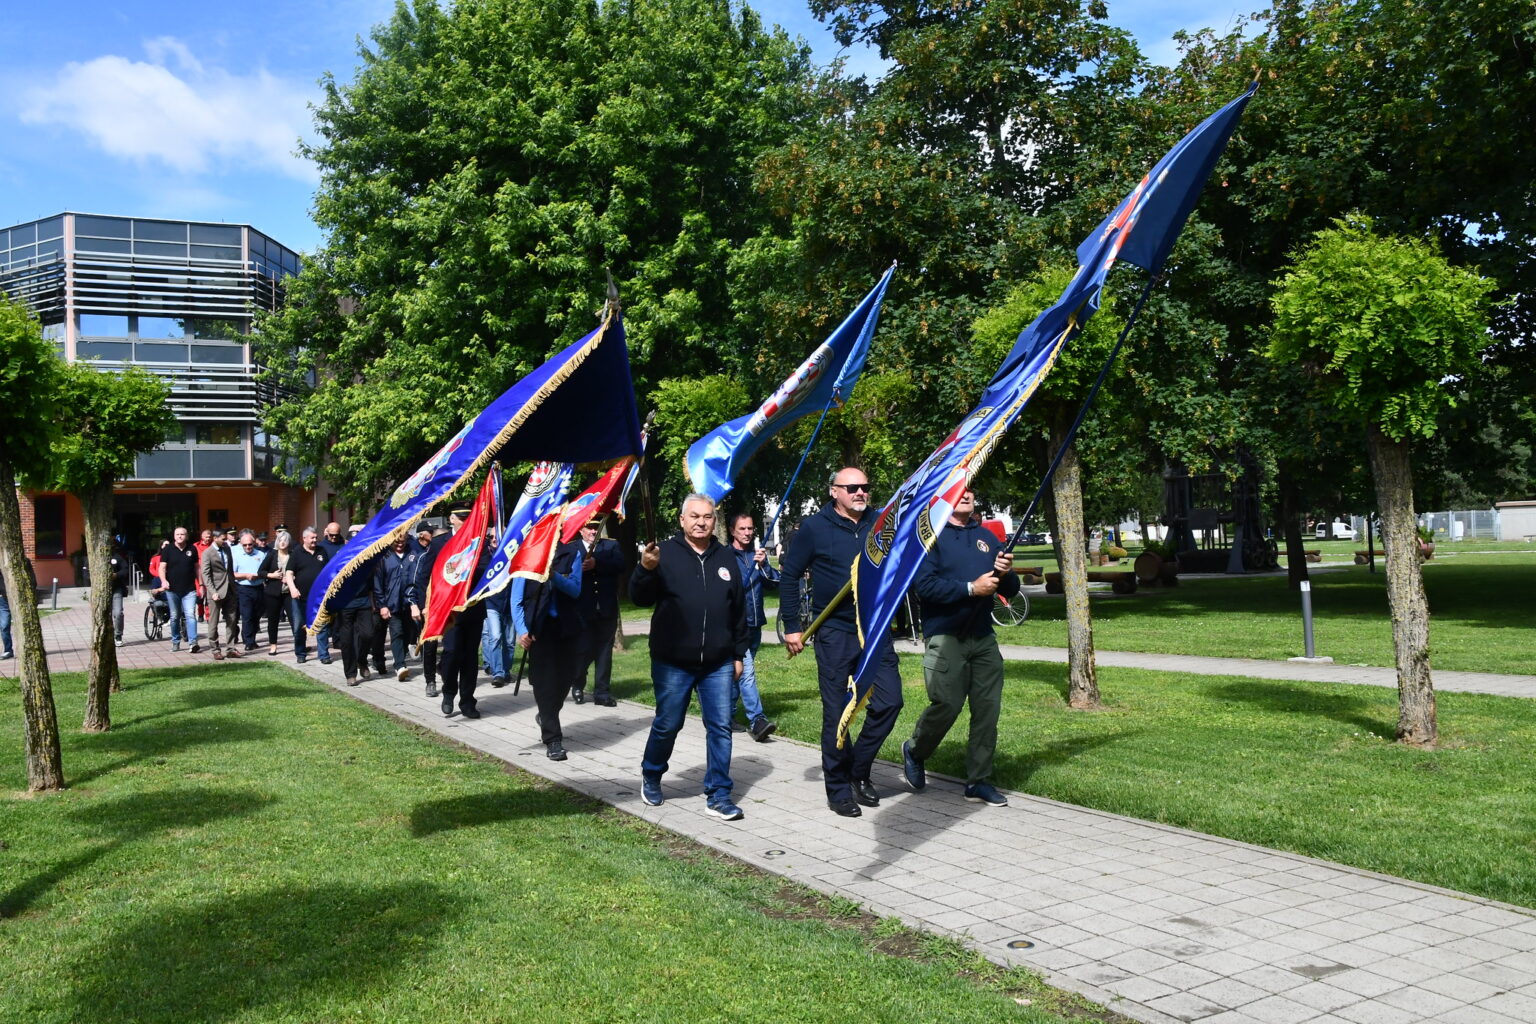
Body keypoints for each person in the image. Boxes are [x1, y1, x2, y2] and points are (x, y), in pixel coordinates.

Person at [779, 467, 904, 818]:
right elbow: (789, 576)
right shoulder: (814, 528)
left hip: (874, 630)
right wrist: (792, 626)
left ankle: (859, 770)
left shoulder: (881, 525)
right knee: (837, 714)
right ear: (834, 491)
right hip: (834, 632)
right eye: (852, 488)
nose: (860, 492)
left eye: (865, 486)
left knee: (890, 702)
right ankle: (838, 790)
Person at [630, 493, 748, 821]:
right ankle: (652, 774)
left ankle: (719, 794)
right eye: (694, 516)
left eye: (707, 517)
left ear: (715, 520)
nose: (701, 522)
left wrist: (739, 654)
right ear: (682, 520)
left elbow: (738, 610)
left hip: (718, 662)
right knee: (669, 723)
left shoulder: (725, 558)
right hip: (673, 661)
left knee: (721, 727)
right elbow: (638, 598)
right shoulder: (662, 553)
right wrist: (645, 569)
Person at [899, 488, 1017, 807]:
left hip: (983, 636)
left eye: (971, 491)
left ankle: (978, 781)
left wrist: (1005, 574)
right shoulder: (930, 537)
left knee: (987, 711)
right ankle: (915, 750)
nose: (967, 495)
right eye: (959, 490)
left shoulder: (988, 538)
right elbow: (924, 587)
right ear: (945, 497)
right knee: (947, 704)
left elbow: (1010, 587)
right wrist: (970, 589)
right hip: (945, 635)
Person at [512, 539, 584, 759]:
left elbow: (575, 590)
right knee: (544, 684)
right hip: (539, 629)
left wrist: (554, 576)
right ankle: (553, 739)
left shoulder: (573, 553)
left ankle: (547, 715)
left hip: (566, 627)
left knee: (565, 679)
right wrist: (522, 630)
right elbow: (516, 599)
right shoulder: (526, 553)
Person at [417, 506, 488, 717]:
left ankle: (467, 702)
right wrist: (426, 604)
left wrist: (469, 567)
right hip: (449, 612)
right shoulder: (440, 543)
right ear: (451, 519)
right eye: (461, 518)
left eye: (468, 518)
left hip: (472, 608)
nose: (465, 521)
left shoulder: (479, 542)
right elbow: (425, 576)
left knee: (470, 657)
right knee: (451, 653)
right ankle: (448, 692)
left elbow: (485, 569)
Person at [727, 512, 778, 741]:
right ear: (732, 531)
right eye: (742, 529)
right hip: (736, 625)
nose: (747, 533)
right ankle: (757, 720)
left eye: (750, 529)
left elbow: (776, 582)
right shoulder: (726, 557)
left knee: (737, 674)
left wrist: (764, 565)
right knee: (747, 673)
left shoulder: (757, 557)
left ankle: (725, 715)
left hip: (756, 624)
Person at [572, 516, 625, 706]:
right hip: (581, 610)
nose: (594, 532)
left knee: (604, 651)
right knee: (583, 650)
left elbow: (621, 565)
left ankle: (601, 693)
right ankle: (577, 684)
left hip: (606, 607)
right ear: (581, 530)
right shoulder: (572, 548)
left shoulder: (610, 547)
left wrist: (597, 564)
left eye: (596, 528)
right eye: (589, 528)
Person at [283, 527, 330, 665]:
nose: (315, 540)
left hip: (319, 597)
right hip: (300, 598)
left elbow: (327, 571)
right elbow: (289, 573)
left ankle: (324, 655)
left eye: (316, 537)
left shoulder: (322, 551)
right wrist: (292, 589)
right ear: (304, 538)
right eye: (312, 538)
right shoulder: (297, 553)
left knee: (322, 626)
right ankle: (301, 653)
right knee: (299, 627)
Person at [372, 534, 415, 681]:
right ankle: (399, 665)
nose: (399, 545)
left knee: (408, 634)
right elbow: (378, 584)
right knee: (397, 633)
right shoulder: (384, 557)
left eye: (402, 542)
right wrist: (382, 605)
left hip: (409, 604)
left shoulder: (412, 554)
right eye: (397, 542)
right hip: (391, 604)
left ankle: (400, 659)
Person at [157, 526, 201, 654]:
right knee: (175, 616)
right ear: (174, 536)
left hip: (189, 589)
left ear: (186, 536)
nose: (180, 536)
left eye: (182, 534)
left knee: (190, 615)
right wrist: (164, 581)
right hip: (172, 590)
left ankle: (193, 643)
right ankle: (176, 641)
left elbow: (197, 568)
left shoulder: (192, 549)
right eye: (177, 534)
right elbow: (162, 568)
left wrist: (201, 585)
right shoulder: (168, 550)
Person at [199, 529, 240, 660]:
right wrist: (212, 592)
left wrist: (234, 586)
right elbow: (205, 574)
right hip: (216, 592)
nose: (225, 541)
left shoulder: (227, 549)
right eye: (223, 539)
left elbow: (230, 571)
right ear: (215, 538)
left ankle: (231, 649)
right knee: (213, 622)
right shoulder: (207, 553)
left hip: (230, 590)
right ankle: (215, 649)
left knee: (232, 620)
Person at [230, 529, 267, 652]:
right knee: (247, 615)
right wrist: (246, 575)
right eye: (244, 545)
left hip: (259, 588)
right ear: (241, 544)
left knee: (257, 615)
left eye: (250, 544)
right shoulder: (236, 556)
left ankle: (252, 638)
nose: (247, 547)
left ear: (254, 543)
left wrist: (260, 576)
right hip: (243, 588)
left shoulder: (260, 555)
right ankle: (248, 641)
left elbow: (265, 571)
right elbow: (232, 574)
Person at [260, 530, 295, 656]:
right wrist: (272, 575)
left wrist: (293, 578)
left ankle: (300, 644)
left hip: (289, 593)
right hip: (273, 593)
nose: (282, 542)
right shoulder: (271, 555)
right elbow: (261, 572)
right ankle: (273, 645)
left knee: (294, 619)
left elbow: (300, 571)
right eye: (280, 540)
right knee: (273, 620)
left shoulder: (293, 554)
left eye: (285, 540)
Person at [0, 555, 36, 659]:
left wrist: (32, 593)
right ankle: (8, 650)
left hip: (21, 597)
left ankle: (30, 648)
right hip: (3, 599)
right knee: (4, 625)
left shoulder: (23, 560)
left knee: (25, 623)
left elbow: (32, 578)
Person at [108, 541, 131, 647]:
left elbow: (125, 569)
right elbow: (86, 572)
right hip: (102, 592)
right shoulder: (95, 557)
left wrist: (116, 575)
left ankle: (118, 636)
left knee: (118, 613)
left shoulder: (116, 558)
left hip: (116, 589)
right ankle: (106, 636)